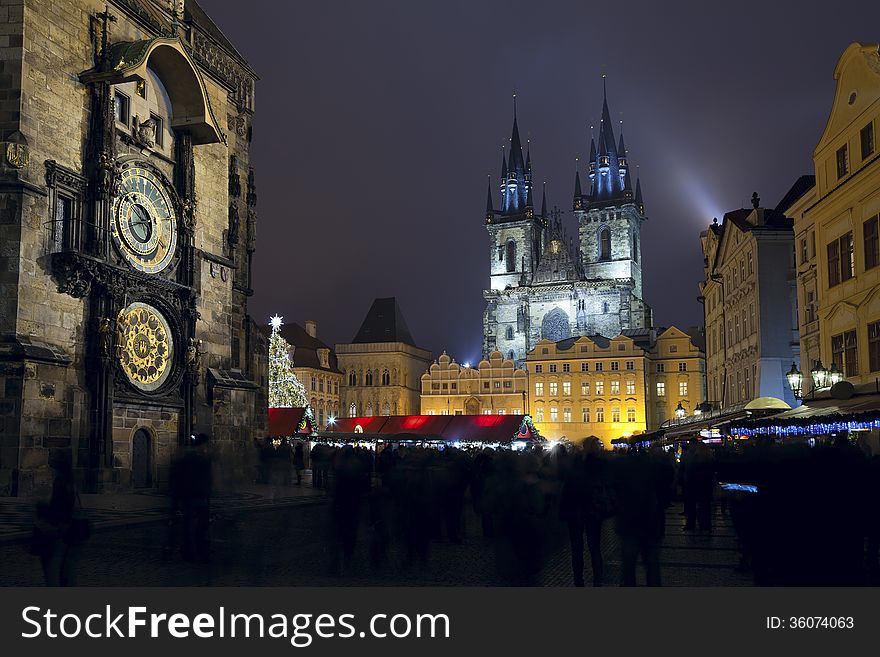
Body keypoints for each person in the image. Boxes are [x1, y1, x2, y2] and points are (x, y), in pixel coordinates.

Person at [32, 451, 84, 586]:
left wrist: (43, 511)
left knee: (53, 571)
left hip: (61, 530)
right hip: (71, 531)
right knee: (67, 571)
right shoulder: (71, 481)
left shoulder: (61, 482)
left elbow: (59, 506)